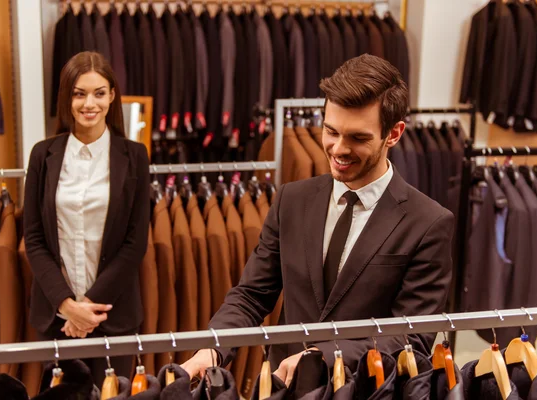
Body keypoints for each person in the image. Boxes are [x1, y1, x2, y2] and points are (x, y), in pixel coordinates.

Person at [182, 54, 454, 386]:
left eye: (358, 138)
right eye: (330, 131)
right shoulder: (292, 200)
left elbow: (412, 338)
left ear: (393, 134)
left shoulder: (428, 222)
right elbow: (252, 294)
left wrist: (322, 358)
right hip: (285, 390)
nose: (338, 148)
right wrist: (213, 348)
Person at [24, 51, 150, 385]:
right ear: (66, 97)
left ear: (112, 96)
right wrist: (66, 305)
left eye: (98, 93)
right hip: (56, 317)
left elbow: (134, 244)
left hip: (114, 314)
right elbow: (34, 239)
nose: (88, 103)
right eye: (79, 93)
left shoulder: (134, 157)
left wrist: (88, 309)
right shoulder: (43, 154)